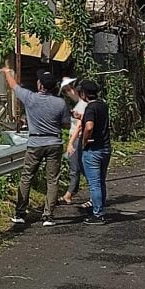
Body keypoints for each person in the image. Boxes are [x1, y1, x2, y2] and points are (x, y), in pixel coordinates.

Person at [2, 67, 71, 227]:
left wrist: (6, 72)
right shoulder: (60, 103)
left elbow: (13, 86)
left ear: (40, 85)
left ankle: (20, 213)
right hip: (54, 142)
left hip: (35, 143)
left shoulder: (30, 98)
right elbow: (66, 124)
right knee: (52, 180)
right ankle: (48, 216)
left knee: (27, 176)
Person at [80, 79, 112, 224]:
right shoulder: (103, 105)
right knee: (101, 181)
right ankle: (101, 208)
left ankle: (98, 214)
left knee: (94, 183)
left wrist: (85, 141)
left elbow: (89, 126)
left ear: (84, 94)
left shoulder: (90, 108)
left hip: (93, 149)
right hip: (105, 147)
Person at [60, 77, 88, 205]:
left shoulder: (82, 105)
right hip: (76, 139)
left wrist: (71, 142)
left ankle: (70, 194)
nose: (67, 94)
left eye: (67, 90)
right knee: (79, 167)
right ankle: (70, 192)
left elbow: (79, 126)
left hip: (77, 139)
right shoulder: (80, 103)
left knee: (76, 167)